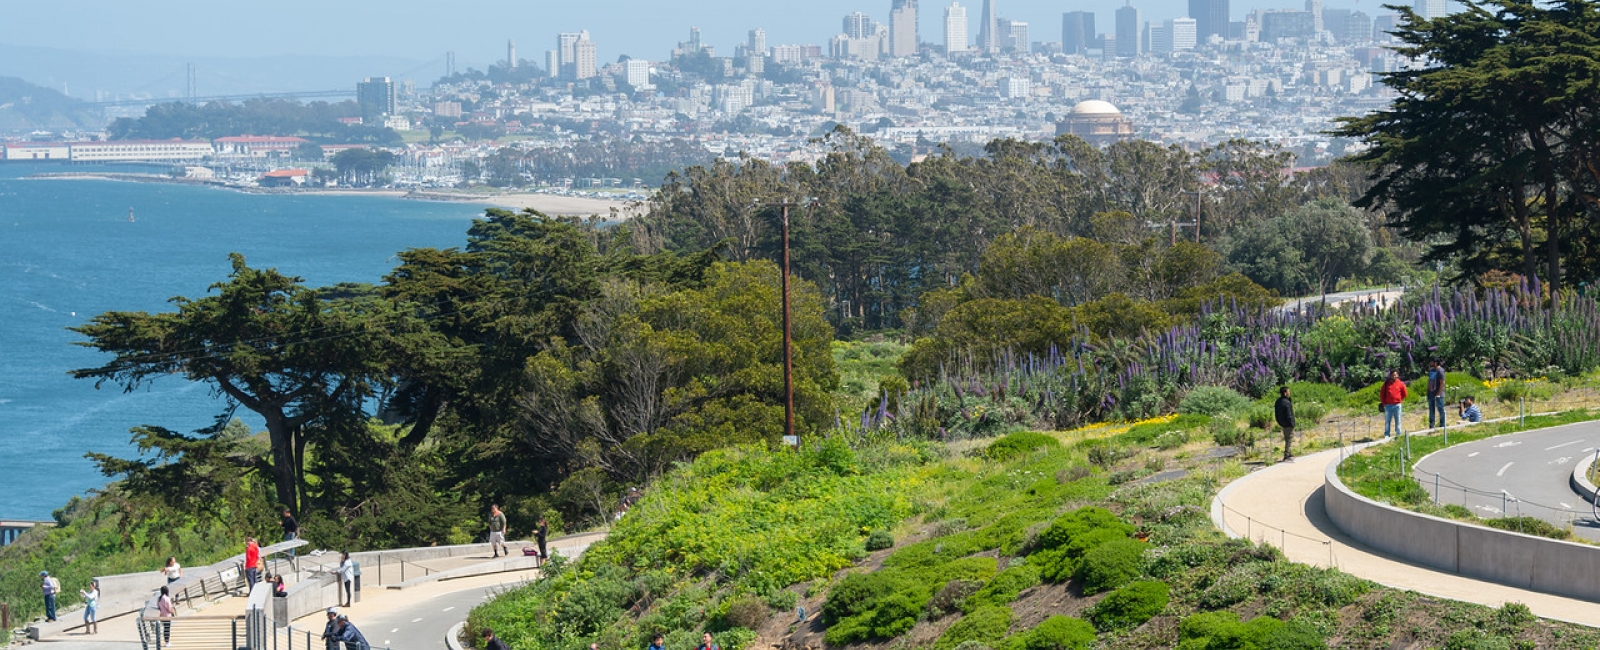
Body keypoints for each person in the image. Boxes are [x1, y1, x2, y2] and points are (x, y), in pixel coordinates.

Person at [1380, 369, 1408, 438]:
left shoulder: (1401, 383)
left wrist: (1399, 399)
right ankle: (1387, 434)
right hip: (1388, 406)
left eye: (1396, 375)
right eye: (1393, 375)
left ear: (1398, 375)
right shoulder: (1386, 384)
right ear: (1390, 376)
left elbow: (1405, 394)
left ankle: (1398, 434)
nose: (1394, 376)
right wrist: (1384, 403)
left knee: (1398, 420)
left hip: (1397, 405)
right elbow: (1382, 395)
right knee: (1387, 421)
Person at [1274, 386, 1297, 461]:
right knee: (1289, 439)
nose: (1289, 392)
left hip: (1282, 423)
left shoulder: (1278, 401)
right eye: (1288, 391)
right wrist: (1292, 424)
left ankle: (1289, 453)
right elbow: (1289, 414)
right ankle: (1286, 455)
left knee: (1287, 438)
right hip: (1288, 424)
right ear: (1285, 393)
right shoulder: (1286, 402)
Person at [1427, 360, 1447, 429]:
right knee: (1431, 410)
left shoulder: (1440, 371)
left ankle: (1442, 425)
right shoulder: (1431, 370)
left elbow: (1442, 383)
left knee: (1441, 409)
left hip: (1439, 394)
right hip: (1430, 393)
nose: (1430, 363)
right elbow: (1430, 380)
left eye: (1431, 361)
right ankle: (1431, 425)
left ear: (1435, 363)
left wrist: (1438, 394)